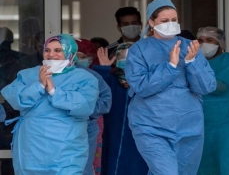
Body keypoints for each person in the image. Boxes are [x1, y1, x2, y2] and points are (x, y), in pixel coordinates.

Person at [125, 0, 216, 175]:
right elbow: (141, 87)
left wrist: (191, 62)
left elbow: (207, 87)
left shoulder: (190, 47)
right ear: (151, 22)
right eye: (164, 21)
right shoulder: (139, 50)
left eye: (174, 20)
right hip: (151, 126)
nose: (170, 24)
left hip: (189, 126)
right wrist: (170, 67)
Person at [1, 34, 99, 174]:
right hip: (31, 146)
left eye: (58, 50)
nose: (51, 54)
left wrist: (54, 91)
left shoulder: (84, 78)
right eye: (47, 50)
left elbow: (84, 106)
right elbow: (14, 98)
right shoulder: (28, 74)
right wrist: (39, 85)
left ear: (70, 52)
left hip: (66, 147)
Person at [196, 26, 229, 175]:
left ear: (221, 43)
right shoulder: (194, 62)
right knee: (203, 163)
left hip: (228, 121)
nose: (204, 43)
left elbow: (219, 86)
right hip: (201, 122)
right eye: (200, 40)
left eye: (209, 40)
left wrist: (195, 72)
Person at [94, 43, 148, 175]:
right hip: (112, 136)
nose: (127, 61)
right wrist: (103, 69)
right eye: (122, 57)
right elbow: (96, 93)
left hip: (140, 140)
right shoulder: (109, 80)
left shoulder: (146, 82)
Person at [75, 38, 112, 175]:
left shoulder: (96, 76)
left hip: (92, 125)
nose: (83, 60)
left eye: (86, 56)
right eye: (79, 56)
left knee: (90, 161)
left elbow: (105, 100)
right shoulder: (61, 76)